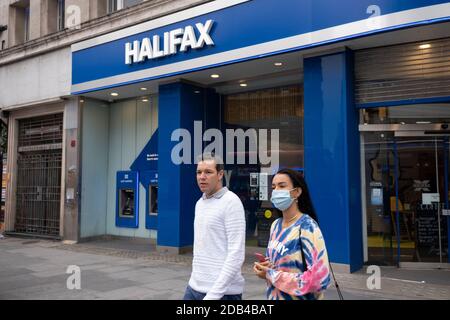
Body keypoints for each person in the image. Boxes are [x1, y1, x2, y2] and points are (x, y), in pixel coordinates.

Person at [253, 168, 331, 300]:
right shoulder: (275, 225)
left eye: (282, 186)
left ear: (297, 192)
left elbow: (319, 279)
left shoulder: (307, 226)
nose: (276, 191)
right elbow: (279, 265)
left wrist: (271, 275)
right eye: (273, 187)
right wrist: (266, 266)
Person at [184, 154, 246, 300]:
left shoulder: (231, 202)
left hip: (222, 294)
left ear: (220, 174)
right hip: (194, 288)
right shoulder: (200, 203)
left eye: (208, 172)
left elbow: (236, 255)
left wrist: (213, 295)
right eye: (199, 172)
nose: (202, 177)